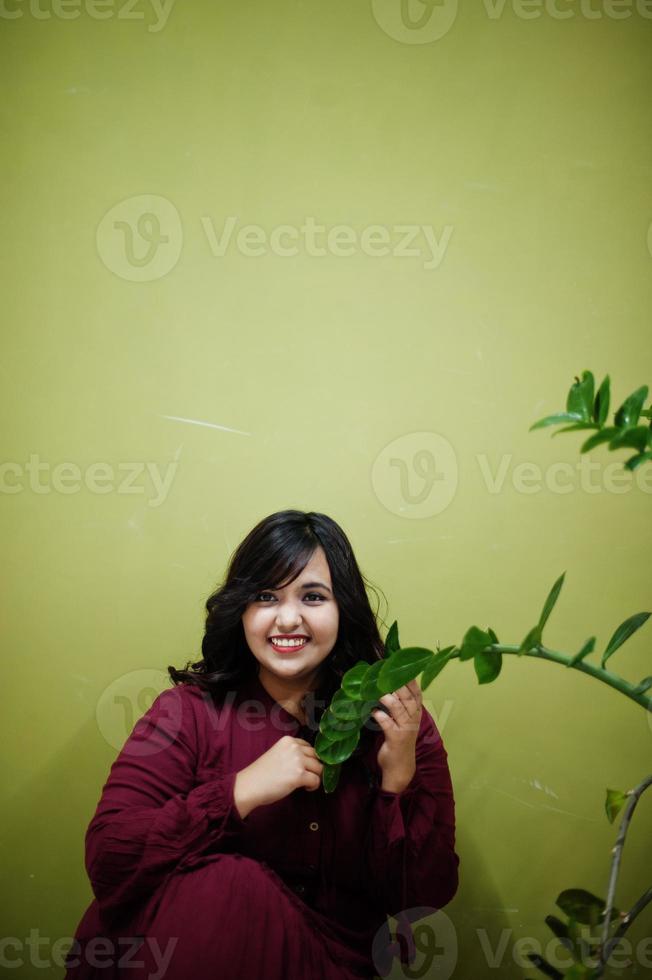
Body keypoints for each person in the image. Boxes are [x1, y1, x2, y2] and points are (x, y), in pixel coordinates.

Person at [64, 510, 459, 980]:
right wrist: (238, 793)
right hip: (174, 958)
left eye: (313, 597)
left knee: (234, 886)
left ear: (343, 610)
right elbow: (111, 861)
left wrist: (398, 780)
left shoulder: (399, 721)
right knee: (228, 885)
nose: (288, 618)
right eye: (266, 596)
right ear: (242, 611)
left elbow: (423, 900)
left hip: (329, 964)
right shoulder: (185, 713)